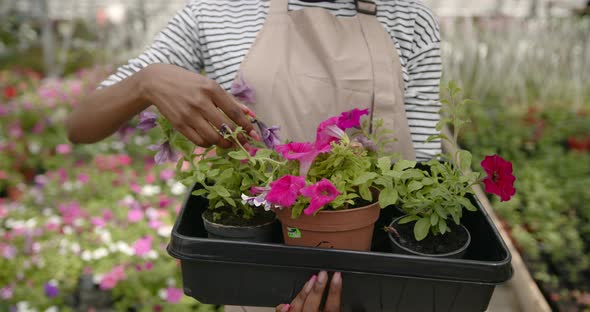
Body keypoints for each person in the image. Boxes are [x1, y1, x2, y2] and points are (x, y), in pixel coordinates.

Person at [67, 0, 442, 310]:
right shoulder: (215, 13)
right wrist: (144, 82)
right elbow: (81, 125)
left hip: (381, 286)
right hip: (262, 287)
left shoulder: (409, 18)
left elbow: (423, 174)